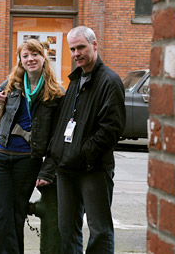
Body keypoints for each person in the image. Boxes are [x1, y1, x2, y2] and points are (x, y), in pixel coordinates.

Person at [50, 26, 126, 254]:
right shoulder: (75, 80)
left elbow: (111, 129)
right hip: (67, 169)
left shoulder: (110, 82)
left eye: (80, 47)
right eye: (72, 49)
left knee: (100, 231)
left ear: (94, 45)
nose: (76, 53)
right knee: (67, 229)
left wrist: (82, 154)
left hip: (93, 168)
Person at [0, 39, 63, 254]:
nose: (30, 59)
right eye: (25, 56)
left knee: (17, 214)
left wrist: (48, 170)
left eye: (35, 54)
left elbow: (57, 137)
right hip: (0, 156)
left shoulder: (55, 92)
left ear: (43, 57)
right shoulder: (13, 82)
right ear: (20, 60)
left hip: (27, 160)